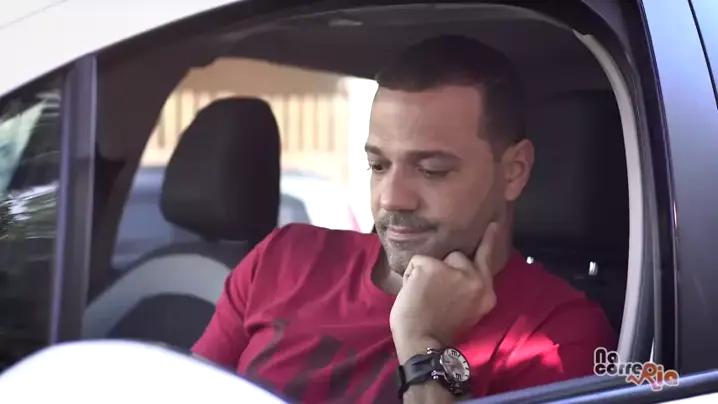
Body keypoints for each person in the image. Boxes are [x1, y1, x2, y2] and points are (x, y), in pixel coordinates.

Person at [191, 35, 617, 403]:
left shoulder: (556, 335)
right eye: (378, 166)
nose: (392, 198)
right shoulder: (282, 260)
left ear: (513, 172)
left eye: (432, 170)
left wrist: (421, 343)